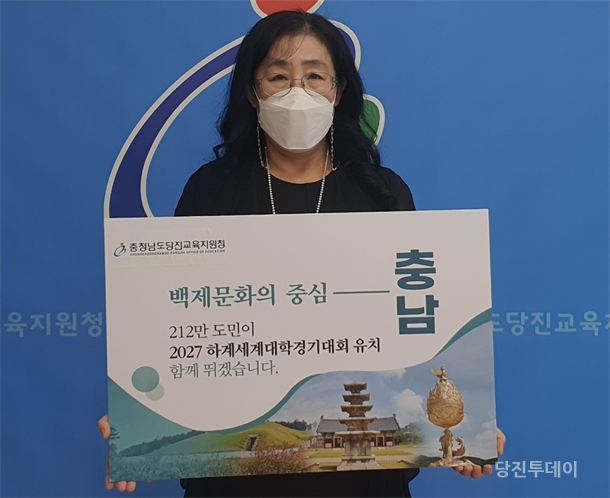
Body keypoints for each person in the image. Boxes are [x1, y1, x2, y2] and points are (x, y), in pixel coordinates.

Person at [99, 9, 506, 496]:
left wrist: (462, 427)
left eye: (315, 76)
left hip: (366, 486)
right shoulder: (211, 191)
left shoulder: (382, 193)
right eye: (278, 76)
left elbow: (421, 325)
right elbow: (173, 321)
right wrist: (138, 424)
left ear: (338, 90)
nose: (298, 91)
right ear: (253, 93)